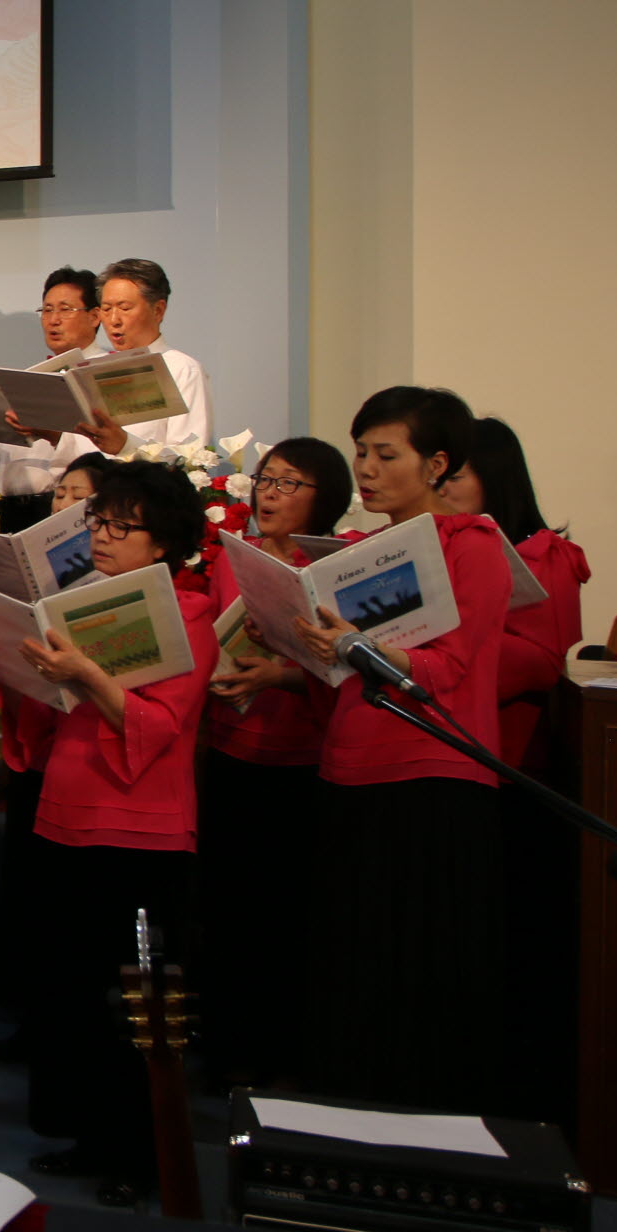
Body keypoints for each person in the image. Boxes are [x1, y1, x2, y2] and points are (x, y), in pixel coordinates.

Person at [0, 461, 219, 1200]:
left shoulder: (189, 613)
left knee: (133, 1001)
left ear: (164, 543)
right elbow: (47, 713)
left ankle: (138, 1153)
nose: (103, 536)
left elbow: (161, 723)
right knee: (68, 988)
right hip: (67, 807)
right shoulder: (74, 601)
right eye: (100, 522)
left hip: (140, 828)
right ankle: (89, 1134)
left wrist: (86, 674)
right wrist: (13, 668)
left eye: (123, 527)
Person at [290, 387, 513, 1110]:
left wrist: (357, 644)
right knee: (351, 955)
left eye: (386, 455)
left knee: (418, 961)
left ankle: (420, 1120)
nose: (367, 468)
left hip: (433, 771)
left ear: (436, 464)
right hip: (350, 763)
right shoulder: (356, 552)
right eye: (361, 452)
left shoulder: (472, 544)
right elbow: (337, 675)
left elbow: (448, 668)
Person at [443, 415, 588, 1124]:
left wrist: (447, 636)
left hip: (508, 768)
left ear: (494, 478)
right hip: (437, 755)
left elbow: (539, 661)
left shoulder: (543, 553)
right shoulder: (435, 547)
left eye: (456, 473)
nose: (442, 484)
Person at [196, 436, 348, 1087]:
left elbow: (346, 667)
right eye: (266, 479)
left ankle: (284, 1055)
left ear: (325, 498)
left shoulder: (336, 565)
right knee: (228, 909)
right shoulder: (236, 559)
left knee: (286, 915)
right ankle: (226, 1050)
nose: (270, 494)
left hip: (303, 758)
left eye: (290, 483)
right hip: (232, 747)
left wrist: (280, 675)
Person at [0, 453, 116, 1040]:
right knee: (29, 885)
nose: (65, 506)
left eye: (81, 499)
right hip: (37, 741)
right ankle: (26, 1007)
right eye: (60, 495)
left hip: (89, 757)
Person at [0, 267, 105, 525]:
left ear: (94, 316)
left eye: (65, 310)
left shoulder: (103, 375)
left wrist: (54, 436)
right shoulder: (32, 376)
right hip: (12, 512)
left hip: (66, 512)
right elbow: (9, 463)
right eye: (47, 310)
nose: (53, 320)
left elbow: (112, 455)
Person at [66, 258, 212, 457]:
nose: (114, 320)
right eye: (107, 309)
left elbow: (189, 458)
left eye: (125, 308)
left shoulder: (182, 369)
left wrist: (126, 446)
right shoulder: (89, 370)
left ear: (158, 310)